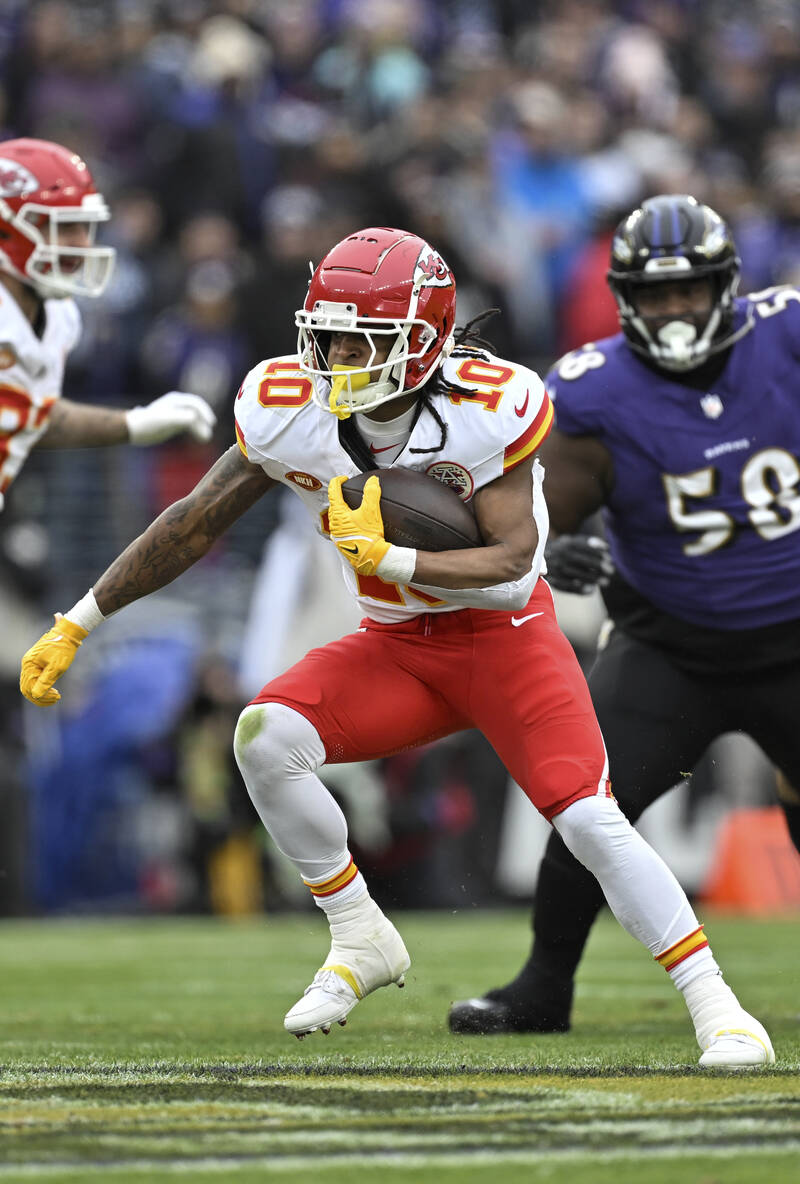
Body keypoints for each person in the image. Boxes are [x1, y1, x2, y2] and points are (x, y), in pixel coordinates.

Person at [19, 224, 773, 1067]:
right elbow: (193, 522)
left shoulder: (487, 408)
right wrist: (81, 617)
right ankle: (359, 934)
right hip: (397, 645)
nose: (338, 355)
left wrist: (395, 556)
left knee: (592, 819)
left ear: (423, 342)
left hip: (504, 640)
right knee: (264, 737)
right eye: (328, 334)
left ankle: (719, 1007)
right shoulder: (290, 403)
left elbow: (514, 565)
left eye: (363, 339)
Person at [449, 193, 800, 1037]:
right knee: (585, 801)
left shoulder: (787, 334)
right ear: (624, 300)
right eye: (654, 295)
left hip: (793, 638)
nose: (674, 311)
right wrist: (550, 550)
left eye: (688, 292)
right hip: (670, 644)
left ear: (728, 288)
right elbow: (532, 519)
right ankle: (543, 987)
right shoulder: (591, 389)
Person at [0, 137, 215, 512]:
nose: (81, 244)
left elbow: (27, 414)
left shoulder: (57, 314)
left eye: (84, 226)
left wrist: (134, 424)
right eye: (62, 227)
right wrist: (133, 424)